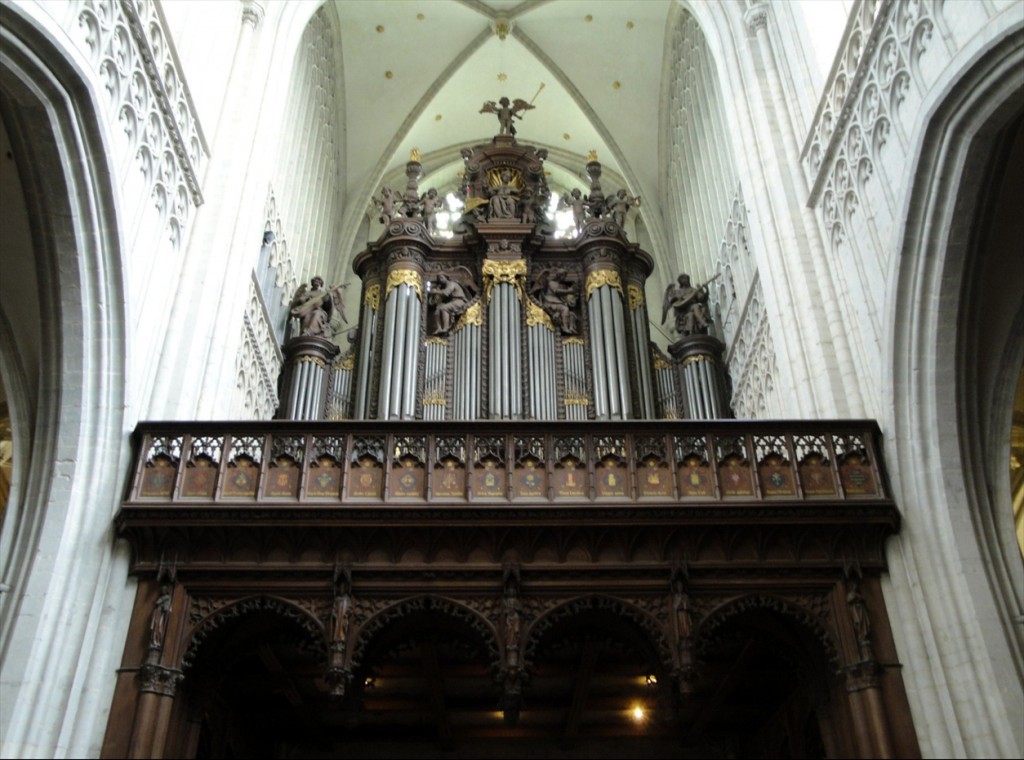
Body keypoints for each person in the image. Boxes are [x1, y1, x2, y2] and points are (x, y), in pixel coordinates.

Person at [533, 268, 578, 335]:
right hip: (550, 302)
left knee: (571, 314)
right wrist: (569, 291)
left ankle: (571, 328)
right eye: (564, 276)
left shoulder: (562, 285)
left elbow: (563, 297)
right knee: (565, 309)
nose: (564, 278)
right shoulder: (552, 283)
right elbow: (557, 291)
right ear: (559, 275)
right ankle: (565, 327)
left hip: (557, 302)